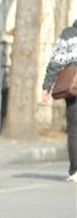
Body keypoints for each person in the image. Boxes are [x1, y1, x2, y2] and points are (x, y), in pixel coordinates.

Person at [41, 19, 77, 181]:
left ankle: (76, 171)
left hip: (74, 87)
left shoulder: (68, 34)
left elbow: (57, 60)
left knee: (74, 129)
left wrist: (47, 85)